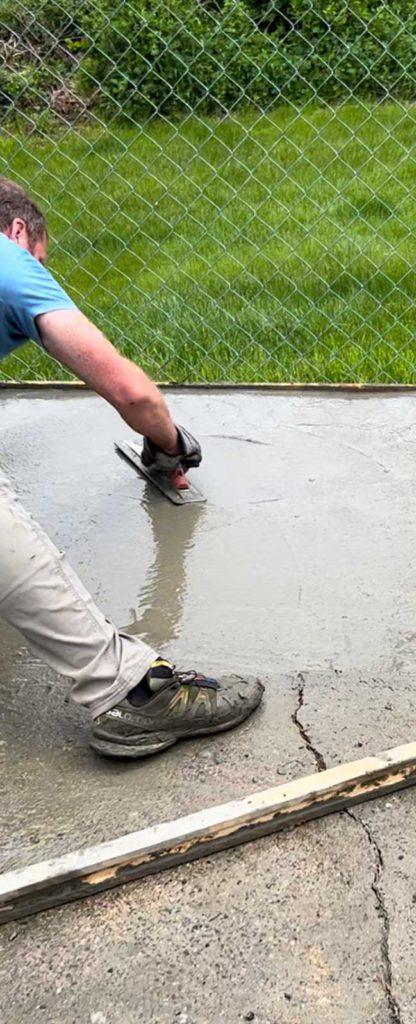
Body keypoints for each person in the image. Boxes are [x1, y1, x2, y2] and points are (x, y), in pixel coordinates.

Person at [0, 178, 263, 758]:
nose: (39, 268)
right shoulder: (8, 261)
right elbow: (129, 391)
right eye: (42, 258)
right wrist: (170, 442)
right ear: (20, 232)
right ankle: (131, 693)